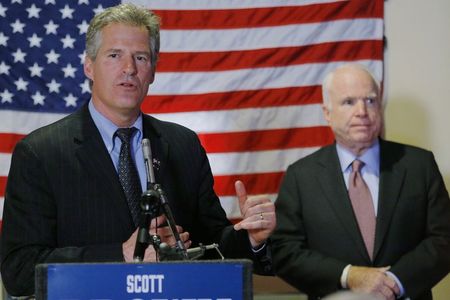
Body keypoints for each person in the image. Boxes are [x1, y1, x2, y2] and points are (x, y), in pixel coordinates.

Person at [0, 4, 276, 297]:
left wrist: (251, 239)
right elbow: (19, 269)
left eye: (140, 57)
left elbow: (212, 245)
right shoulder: (40, 153)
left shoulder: (183, 145)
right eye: (114, 55)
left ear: (153, 71)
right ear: (89, 66)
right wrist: (123, 254)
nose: (129, 69)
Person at [271, 63, 450, 300]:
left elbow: (444, 238)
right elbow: (285, 251)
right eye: (348, 102)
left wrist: (394, 282)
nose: (362, 112)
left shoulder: (419, 165)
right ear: (327, 112)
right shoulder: (301, 176)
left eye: (370, 101)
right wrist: (349, 276)